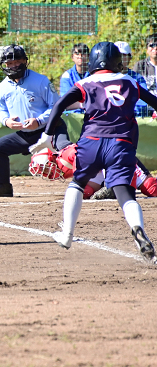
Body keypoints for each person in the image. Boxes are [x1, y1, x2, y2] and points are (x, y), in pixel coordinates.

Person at [30, 42, 157, 263]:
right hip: (121, 143)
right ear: (118, 62)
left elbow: (59, 105)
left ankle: (67, 234)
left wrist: (47, 136)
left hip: (91, 142)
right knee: (125, 193)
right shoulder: (130, 82)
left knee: (77, 184)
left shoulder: (85, 82)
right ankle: (138, 230)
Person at [0, 44, 71, 197]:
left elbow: (56, 106)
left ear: (25, 61)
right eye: (9, 63)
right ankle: (2, 186)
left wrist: (39, 120)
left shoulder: (40, 81)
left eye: (17, 61)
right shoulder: (2, 88)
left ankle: (90, 182)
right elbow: (0, 108)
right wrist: (6, 121)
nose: (13, 65)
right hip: (25, 135)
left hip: (51, 129)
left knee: (67, 149)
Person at [29, 144, 157, 199]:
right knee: (83, 192)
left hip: (116, 158)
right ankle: (112, 185)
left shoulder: (66, 154)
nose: (46, 173)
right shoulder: (61, 167)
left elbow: (86, 155)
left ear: (50, 159)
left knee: (151, 189)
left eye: (45, 169)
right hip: (100, 168)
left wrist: (109, 182)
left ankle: (113, 184)